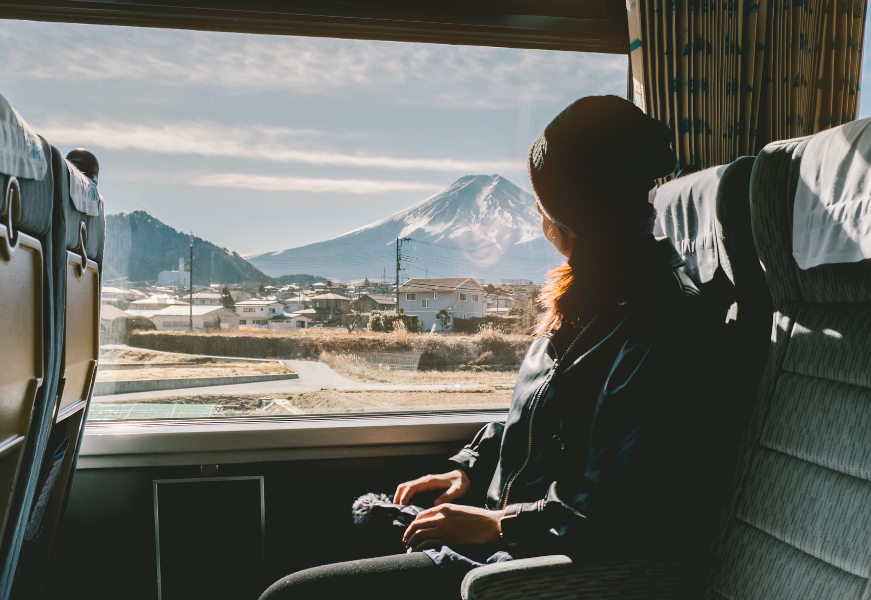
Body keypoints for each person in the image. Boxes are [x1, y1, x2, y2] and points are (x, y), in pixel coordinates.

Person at [260, 95, 728, 599]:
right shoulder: (588, 299)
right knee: (307, 545)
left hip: (536, 561)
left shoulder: (660, 324)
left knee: (291, 595)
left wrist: (497, 525)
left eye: (544, 200)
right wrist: (471, 466)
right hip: (515, 531)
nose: (536, 210)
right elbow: (552, 417)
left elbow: (612, 500)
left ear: (577, 214)